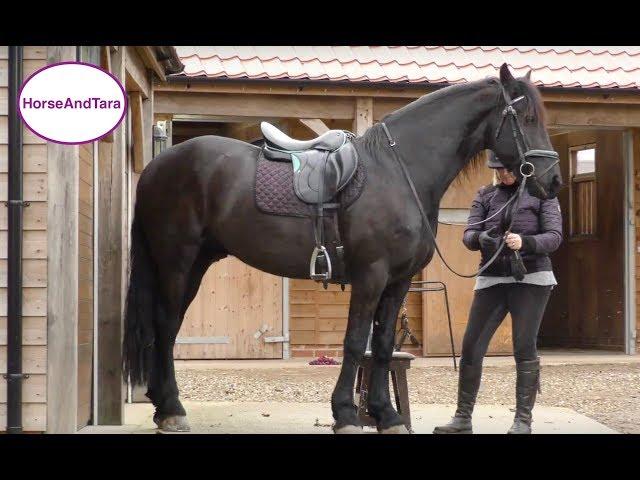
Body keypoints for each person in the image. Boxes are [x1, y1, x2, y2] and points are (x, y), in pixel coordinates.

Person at [433, 152, 563, 434]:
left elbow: (554, 236)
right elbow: (469, 234)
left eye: (508, 169)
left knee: (523, 345)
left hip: (532, 279)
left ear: (522, 168)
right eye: (499, 169)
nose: (503, 174)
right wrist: (480, 238)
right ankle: (462, 418)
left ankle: (522, 421)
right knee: (471, 346)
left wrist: (525, 241)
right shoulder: (485, 195)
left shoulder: (542, 194)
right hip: (492, 278)